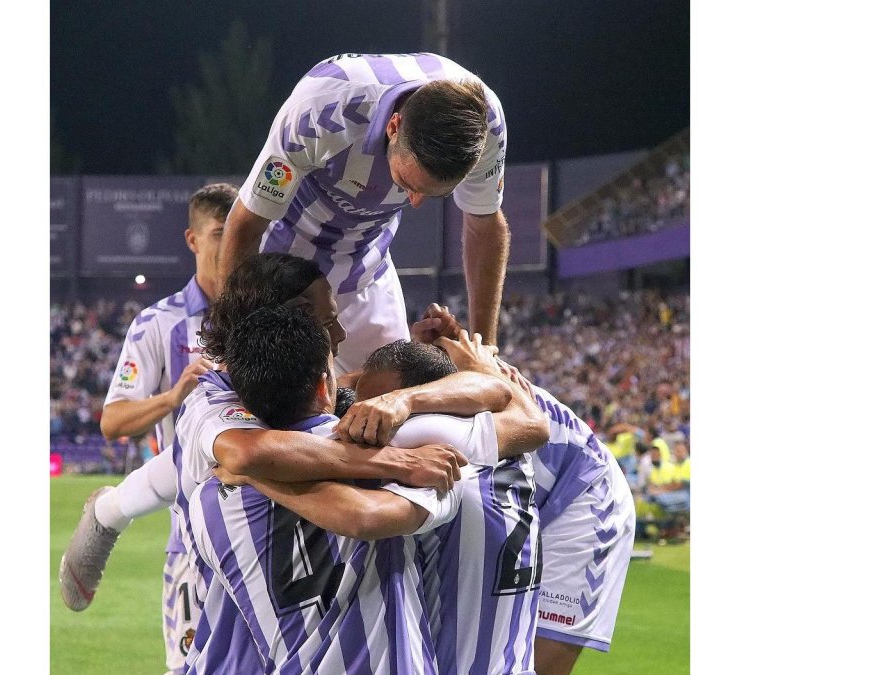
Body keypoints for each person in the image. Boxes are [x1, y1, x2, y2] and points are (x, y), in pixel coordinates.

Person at [58, 254, 472, 667]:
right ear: (290, 320)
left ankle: (111, 510)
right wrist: (394, 462)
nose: (341, 333)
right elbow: (246, 453)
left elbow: (341, 394)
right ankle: (109, 512)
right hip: (224, 588)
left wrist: (417, 370)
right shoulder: (213, 400)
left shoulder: (290, 398)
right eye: (328, 321)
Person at [188, 305, 548, 673]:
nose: (363, 410)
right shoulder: (402, 447)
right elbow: (530, 422)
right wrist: (465, 368)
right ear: (323, 383)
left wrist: (252, 471)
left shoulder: (202, 501)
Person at [343, 307, 638, 675]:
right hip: (520, 480)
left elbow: (534, 426)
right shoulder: (472, 380)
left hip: (586, 495)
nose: (365, 408)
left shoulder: (437, 422)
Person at [218, 52, 512, 375]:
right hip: (284, 265)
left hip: (366, 264)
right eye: (406, 182)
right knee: (282, 400)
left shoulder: (484, 126)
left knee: (390, 400)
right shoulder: (322, 112)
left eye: (433, 194)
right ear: (393, 126)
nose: (414, 201)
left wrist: (486, 352)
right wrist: (231, 345)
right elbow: (245, 224)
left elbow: (484, 226)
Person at [62, 183, 233, 673]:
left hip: (261, 526)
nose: (230, 245)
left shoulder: (266, 316)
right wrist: (172, 397)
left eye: (238, 232)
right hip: (191, 541)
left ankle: (114, 509)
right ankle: (113, 508)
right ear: (192, 239)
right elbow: (113, 421)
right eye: (219, 233)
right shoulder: (159, 324)